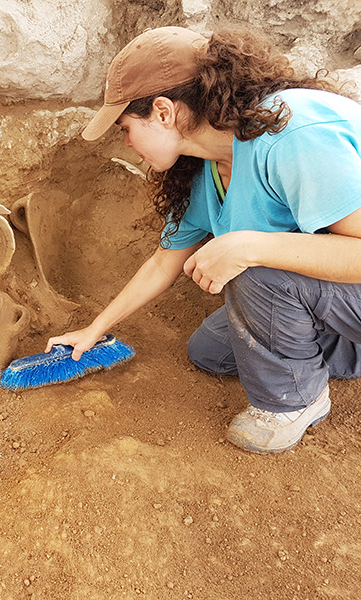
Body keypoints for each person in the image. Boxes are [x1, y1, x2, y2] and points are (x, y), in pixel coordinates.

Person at [45, 26, 361, 454]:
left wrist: (249, 247)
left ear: (163, 112)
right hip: (341, 296)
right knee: (210, 349)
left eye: (124, 127)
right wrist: (94, 330)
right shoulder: (208, 170)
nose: (125, 143)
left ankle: (295, 402)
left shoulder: (293, 134)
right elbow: (163, 261)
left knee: (255, 272)